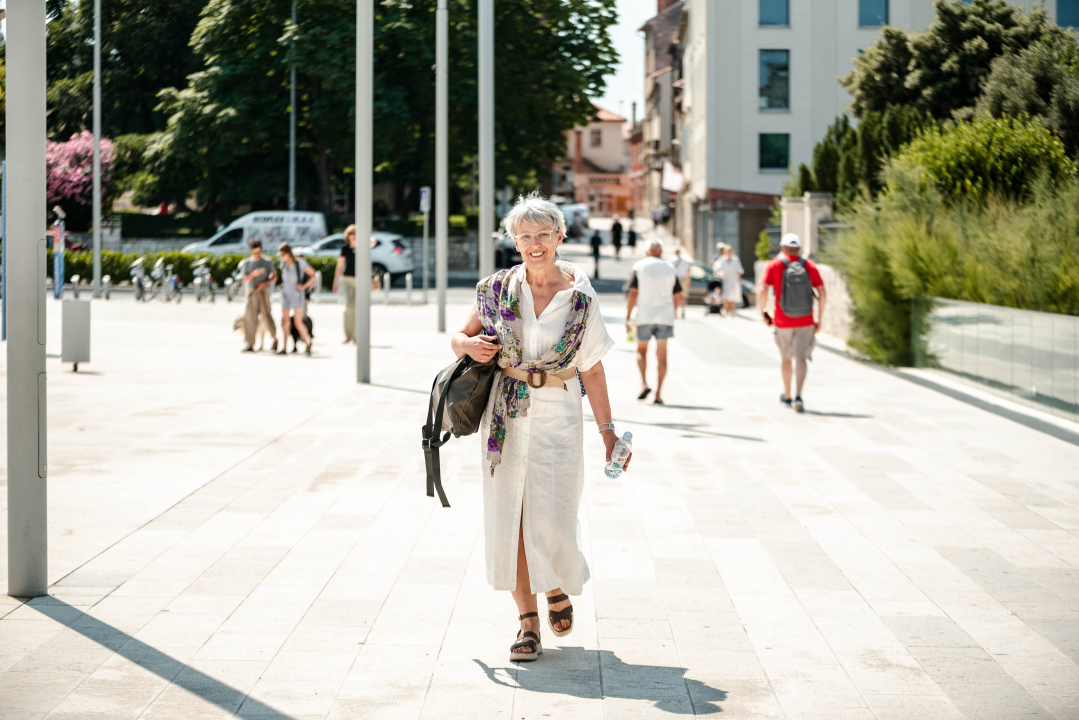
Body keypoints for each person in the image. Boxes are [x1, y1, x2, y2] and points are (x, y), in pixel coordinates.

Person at [451, 192, 623, 663]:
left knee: (555, 515)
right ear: (514, 240)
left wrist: (608, 432)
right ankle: (528, 621)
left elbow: (593, 368)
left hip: (560, 416)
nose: (534, 243)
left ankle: (556, 588)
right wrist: (469, 346)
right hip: (504, 417)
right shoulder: (496, 288)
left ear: (560, 236)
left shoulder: (580, 298)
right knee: (513, 517)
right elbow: (458, 337)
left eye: (543, 234)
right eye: (524, 236)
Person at [757, 233, 827, 413]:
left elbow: (763, 289)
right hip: (806, 319)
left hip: (782, 320)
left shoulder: (774, 265)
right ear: (800, 249)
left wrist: (763, 311)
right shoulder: (810, 266)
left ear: (782, 248)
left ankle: (787, 395)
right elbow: (822, 293)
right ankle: (798, 395)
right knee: (801, 357)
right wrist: (819, 317)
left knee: (786, 358)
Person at [626, 239, 682, 404]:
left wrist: (628, 316)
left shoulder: (639, 267)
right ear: (661, 252)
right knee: (662, 356)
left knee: (641, 351)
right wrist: (673, 312)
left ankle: (644, 384)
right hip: (665, 317)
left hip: (644, 315)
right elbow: (678, 296)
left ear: (647, 252)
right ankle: (658, 394)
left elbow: (633, 294)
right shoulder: (671, 268)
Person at [277, 243, 317, 356]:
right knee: (285, 321)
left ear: (287, 253)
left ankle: (307, 343)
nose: (281, 257)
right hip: (285, 295)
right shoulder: (284, 264)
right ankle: (284, 347)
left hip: (296, 295)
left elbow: (314, 274)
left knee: (297, 322)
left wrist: (304, 287)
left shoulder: (300, 263)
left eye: (282, 255)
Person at [241, 239, 278, 353]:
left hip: (263, 291)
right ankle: (250, 343)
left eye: (259, 251)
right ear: (251, 250)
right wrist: (253, 274)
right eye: (255, 252)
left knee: (266, 315)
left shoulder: (267, 262)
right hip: (252, 291)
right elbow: (244, 279)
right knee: (250, 317)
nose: (257, 254)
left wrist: (264, 283)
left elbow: (274, 276)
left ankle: (274, 338)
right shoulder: (247, 263)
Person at [332, 224, 357, 344]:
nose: (353, 235)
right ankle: (348, 335)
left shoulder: (363, 246)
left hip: (360, 280)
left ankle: (357, 335)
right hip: (347, 279)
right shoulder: (345, 248)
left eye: (355, 233)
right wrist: (335, 281)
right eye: (351, 233)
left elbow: (373, 242)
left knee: (358, 308)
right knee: (348, 308)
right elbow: (340, 266)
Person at [713, 244, 745, 318]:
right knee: (726, 297)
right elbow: (716, 268)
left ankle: (732, 311)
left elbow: (739, 270)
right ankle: (726, 311)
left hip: (734, 281)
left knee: (733, 297)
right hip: (726, 280)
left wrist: (739, 280)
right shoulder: (722, 259)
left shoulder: (735, 259)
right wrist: (718, 274)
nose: (729, 253)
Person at [669, 247, 692, 319]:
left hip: (674, 278)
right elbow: (688, 273)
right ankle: (683, 310)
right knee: (683, 296)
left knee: (674, 296)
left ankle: (675, 312)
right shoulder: (685, 261)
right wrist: (688, 282)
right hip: (683, 279)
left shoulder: (670, 260)